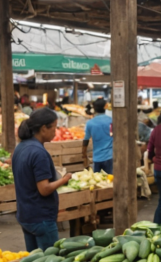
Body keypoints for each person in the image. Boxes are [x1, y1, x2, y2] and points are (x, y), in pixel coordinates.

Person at [12, 109, 72, 250]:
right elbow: (44, 189)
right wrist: (64, 180)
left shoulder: (21, 147)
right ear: (44, 128)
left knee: (33, 261)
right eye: (54, 127)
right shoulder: (39, 153)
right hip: (41, 217)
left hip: (25, 215)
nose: (55, 132)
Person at [83, 99, 114, 174]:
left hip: (96, 158)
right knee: (109, 181)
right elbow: (113, 135)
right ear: (105, 107)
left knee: (97, 181)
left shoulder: (90, 123)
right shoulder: (111, 121)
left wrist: (84, 154)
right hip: (109, 156)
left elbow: (86, 140)